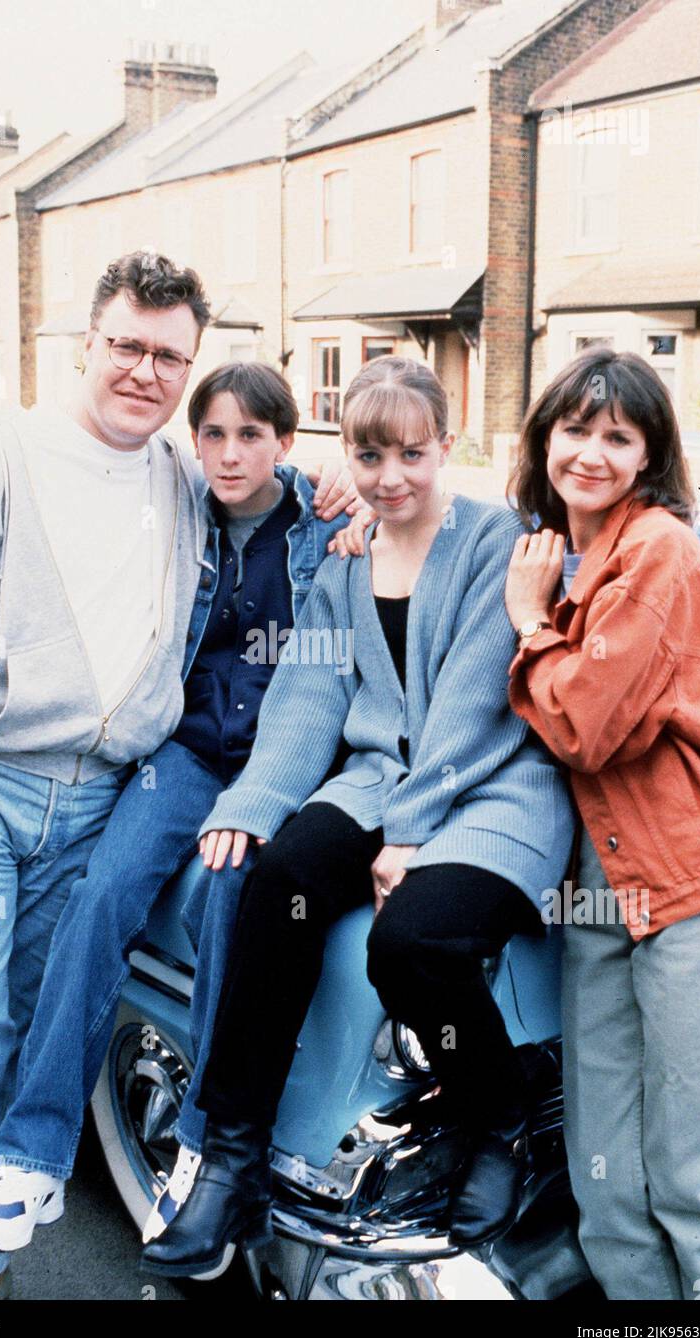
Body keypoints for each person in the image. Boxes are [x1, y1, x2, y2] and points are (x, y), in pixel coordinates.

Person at [0, 251, 353, 1300]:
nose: (144, 370)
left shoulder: (179, 474)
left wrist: (335, 483)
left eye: (168, 355)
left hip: (96, 793)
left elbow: (268, 485)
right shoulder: (1, 457)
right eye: (126, 345)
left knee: (29, 1020)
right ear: (87, 344)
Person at [140, 355, 576, 1279]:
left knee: (413, 943)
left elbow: (472, 698)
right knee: (273, 882)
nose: (390, 478)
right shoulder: (348, 556)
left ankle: (497, 1113)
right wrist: (254, 803)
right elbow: (309, 693)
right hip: (383, 778)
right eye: (371, 456)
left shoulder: (497, 538)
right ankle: (232, 1161)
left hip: (493, 787)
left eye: (411, 455)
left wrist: (411, 835)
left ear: (445, 447)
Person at [0, 362, 354, 1255]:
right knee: (99, 899)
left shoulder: (322, 527)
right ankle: (33, 1155)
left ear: (286, 443)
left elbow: (414, 527)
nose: (227, 452)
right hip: (182, 750)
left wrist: (352, 493)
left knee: (229, 900)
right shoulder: (177, 512)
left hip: (280, 764)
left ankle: (200, 1141)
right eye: (211, 432)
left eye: (251, 434)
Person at [503, 346, 700, 1301]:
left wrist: (532, 627)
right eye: (575, 430)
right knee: (604, 1170)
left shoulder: (656, 546)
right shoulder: (553, 547)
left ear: (648, 457)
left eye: (619, 436)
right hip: (602, 889)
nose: (592, 454)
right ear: (544, 439)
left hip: (695, 877)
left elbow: (586, 723)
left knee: (697, 1176)